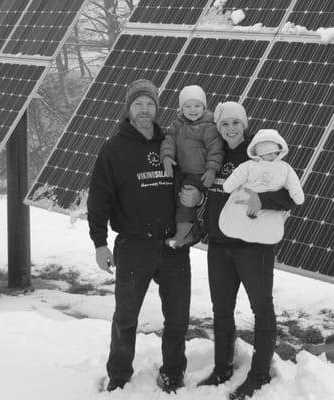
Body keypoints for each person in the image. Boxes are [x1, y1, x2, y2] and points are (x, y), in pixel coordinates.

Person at [87, 79, 201, 394]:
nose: (145, 110)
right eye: (138, 104)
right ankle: (119, 376)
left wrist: (196, 199)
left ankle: (174, 373)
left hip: (172, 245)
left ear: (157, 107)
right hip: (133, 245)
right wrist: (99, 243)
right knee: (126, 317)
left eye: (150, 104)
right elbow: (99, 199)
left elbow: (192, 175)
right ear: (129, 108)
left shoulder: (171, 141)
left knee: (178, 318)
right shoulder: (114, 149)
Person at [196, 102, 298, 400]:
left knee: (261, 309)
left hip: (254, 248)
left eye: (235, 123)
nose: (230, 128)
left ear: (244, 124)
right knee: (221, 309)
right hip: (218, 243)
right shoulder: (213, 154)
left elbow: (289, 197)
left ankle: (259, 375)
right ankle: (221, 368)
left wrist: (261, 199)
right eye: (225, 123)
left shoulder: (258, 153)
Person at [160, 84, 223, 248]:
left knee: (186, 199)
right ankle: (185, 228)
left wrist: (211, 169)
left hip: (199, 174)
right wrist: (166, 157)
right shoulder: (177, 124)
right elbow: (168, 141)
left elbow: (215, 149)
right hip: (182, 171)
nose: (192, 110)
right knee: (173, 196)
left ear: (204, 106)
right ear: (181, 108)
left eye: (197, 105)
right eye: (187, 106)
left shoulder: (209, 126)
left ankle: (186, 234)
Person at [219, 128, 304, 244]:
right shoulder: (249, 166)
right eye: (269, 153)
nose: (274, 155)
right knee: (240, 212)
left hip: (268, 206)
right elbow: (235, 178)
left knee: (265, 221)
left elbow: (294, 184)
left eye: (276, 153)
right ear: (259, 152)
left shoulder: (284, 168)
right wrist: (228, 186)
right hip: (244, 199)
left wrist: (297, 194)